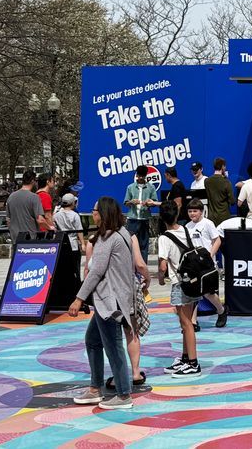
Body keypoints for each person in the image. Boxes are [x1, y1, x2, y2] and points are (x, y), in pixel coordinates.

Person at [69, 197, 136, 409]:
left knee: (113, 347)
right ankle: (95, 388)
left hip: (109, 301)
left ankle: (124, 394)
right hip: (117, 297)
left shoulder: (107, 239)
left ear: (104, 213)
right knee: (93, 340)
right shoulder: (123, 233)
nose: (93, 213)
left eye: (95, 210)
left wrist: (79, 299)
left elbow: (95, 271)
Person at [158, 201, 204, 377]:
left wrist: (161, 280)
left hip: (180, 283)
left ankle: (193, 363)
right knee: (186, 324)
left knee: (186, 324)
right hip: (193, 281)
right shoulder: (187, 230)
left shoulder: (164, 238)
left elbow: (162, 266)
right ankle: (185, 358)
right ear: (177, 215)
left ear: (162, 217)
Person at [181, 199, 228, 330]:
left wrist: (210, 255)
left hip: (207, 264)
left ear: (201, 211)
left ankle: (221, 310)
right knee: (193, 293)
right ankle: (193, 322)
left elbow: (217, 240)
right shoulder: (187, 226)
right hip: (193, 265)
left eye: (195, 211)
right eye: (190, 211)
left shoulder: (208, 223)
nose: (192, 214)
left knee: (208, 293)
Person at [123, 165, 160, 262]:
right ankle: (130, 266)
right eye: (138, 175)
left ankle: (143, 268)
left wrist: (149, 203)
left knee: (143, 245)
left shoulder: (151, 187)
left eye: (142, 176)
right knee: (130, 243)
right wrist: (131, 202)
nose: (140, 178)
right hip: (132, 219)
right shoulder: (130, 187)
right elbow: (126, 202)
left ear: (145, 176)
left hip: (144, 219)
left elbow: (155, 202)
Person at [5, 171, 46, 246]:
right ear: (33, 181)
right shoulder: (34, 197)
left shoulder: (11, 197)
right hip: (31, 239)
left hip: (16, 239)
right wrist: (50, 227)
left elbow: (8, 220)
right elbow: (40, 220)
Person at [204, 157, 234, 223]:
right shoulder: (226, 182)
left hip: (211, 217)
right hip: (224, 217)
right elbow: (232, 201)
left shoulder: (207, 181)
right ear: (222, 166)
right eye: (225, 166)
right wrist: (226, 178)